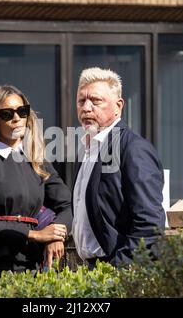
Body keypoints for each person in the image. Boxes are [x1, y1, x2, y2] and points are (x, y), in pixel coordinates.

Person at [0, 85, 72, 277]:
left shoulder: (37, 160)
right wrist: (35, 235)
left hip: (33, 263)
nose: (17, 118)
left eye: (22, 111)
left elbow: (67, 205)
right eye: (7, 114)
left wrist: (56, 236)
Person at [72, 67, 166, 268]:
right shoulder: (90, 147)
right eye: (81, 101)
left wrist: (118, 271)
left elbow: (149, 225)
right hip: (92, 271)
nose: (86, 108)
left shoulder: (134, 148)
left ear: (118, 106)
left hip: (117, 271)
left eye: (96, 101)